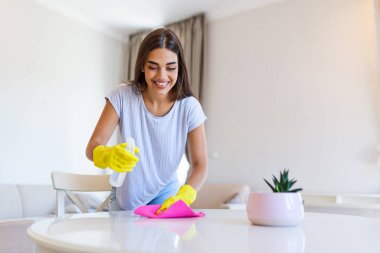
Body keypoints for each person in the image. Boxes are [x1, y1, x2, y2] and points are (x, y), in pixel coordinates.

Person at [86, 28, 208, 213]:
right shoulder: (122, 96)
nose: (162, 76)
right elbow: (92, 147)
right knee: (124, 242)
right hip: (125, 197)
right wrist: (106, 154)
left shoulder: (189, 107)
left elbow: (200, 164)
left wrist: (186, 194)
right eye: (153, 67)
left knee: (163, 241)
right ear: (142, 66)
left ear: (179, 67)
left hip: (166, 195)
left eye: (170, 67)